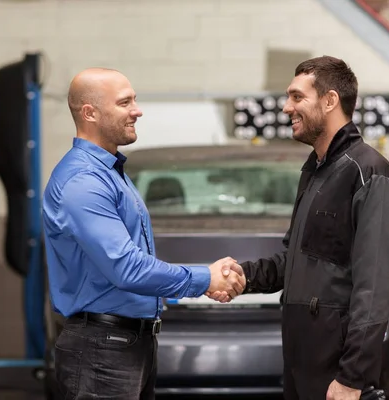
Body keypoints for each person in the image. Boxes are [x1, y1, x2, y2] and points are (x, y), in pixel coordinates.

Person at [42, 67, 246, 400]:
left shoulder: (111, 173)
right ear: (89, 113)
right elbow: (127, 268)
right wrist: (205, 279)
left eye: (134, 100)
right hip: (102, 351)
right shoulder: (83, 182)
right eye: (125, 103)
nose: (137, 110)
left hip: (127, 344)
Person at [208, 56, 389, 400]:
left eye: (298, 97)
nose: (286, 108)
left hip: (337, 375)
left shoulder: (370, 173)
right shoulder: (315, 170)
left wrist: (352, 378)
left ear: (330, 101)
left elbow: (375, 286)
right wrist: (243, 276)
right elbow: (297, 261)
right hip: (302, 367)